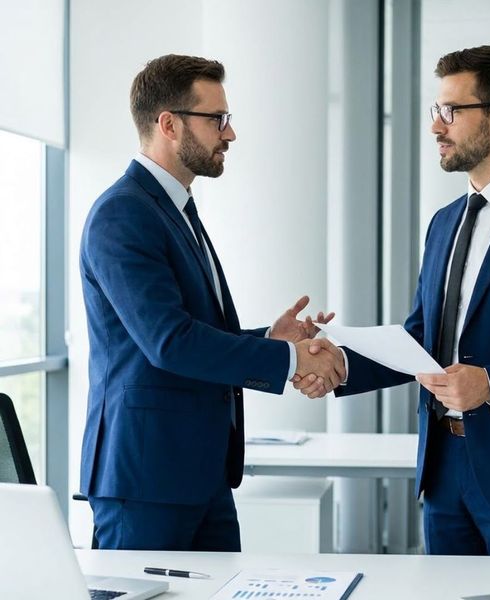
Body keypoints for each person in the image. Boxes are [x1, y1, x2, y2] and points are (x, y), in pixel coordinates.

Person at [296, 45, 490, 556]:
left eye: (452, 111)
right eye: (437, 111)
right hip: (443, 478)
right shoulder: (444, 223)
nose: (436, 126)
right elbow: (423, 342)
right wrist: (341, 364)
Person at [79, 54, 346, 552]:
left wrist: (270, 340)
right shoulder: (123, 214)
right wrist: (289, 361)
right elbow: (169, 342)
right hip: (146, 481)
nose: (230, 133)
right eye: (217, 119)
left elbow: (186, 330)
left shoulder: (176, 208)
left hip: (201, 474)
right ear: (169, 124)